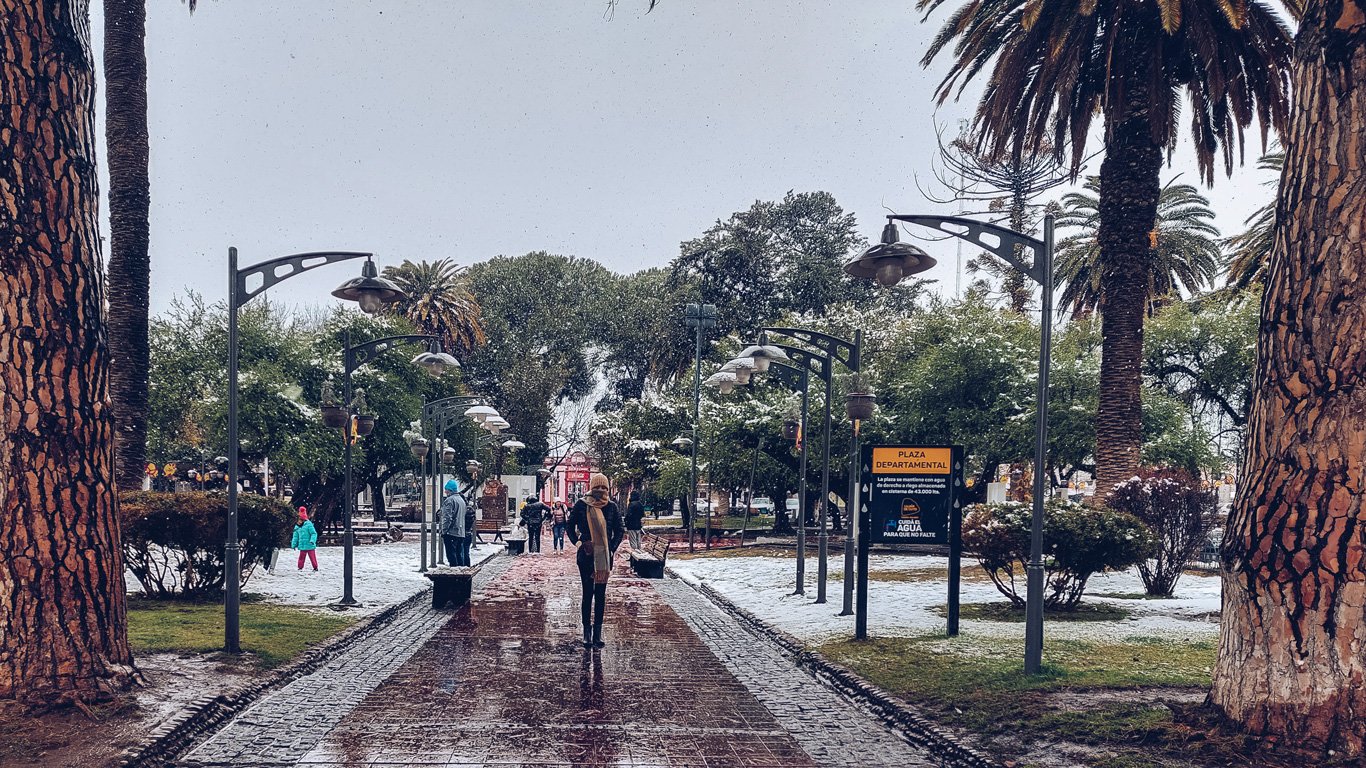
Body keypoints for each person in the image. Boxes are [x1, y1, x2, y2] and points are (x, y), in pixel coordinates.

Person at [568, 473, 624, 649]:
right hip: (586, 556)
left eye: (604, 487)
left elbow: (619, 531)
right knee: (587, 594)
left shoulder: (612, 507)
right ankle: (587, 632)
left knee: (600, 595)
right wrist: (578, 543)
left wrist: (612, 549)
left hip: (604, 558)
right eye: (597, 487)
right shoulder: (581, 505)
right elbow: (570, 526)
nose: (600, 490)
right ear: (591, 488)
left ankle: (597, 634)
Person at [440, 478, 468, 566]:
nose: (445, 492)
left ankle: (454, 575)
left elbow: (447, 518)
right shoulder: (461, 500)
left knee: (452, 557)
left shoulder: (449, 500)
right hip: (460, 533)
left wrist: (444, 531)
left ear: (450, 490)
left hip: (451, 533)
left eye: (446, 490)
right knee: (459, 556)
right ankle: (460, 575)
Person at [292, 506, 318, 571]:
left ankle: (315, 567)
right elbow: (295, 536)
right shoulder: (297, 527)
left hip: (309, 545)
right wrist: (294, 544)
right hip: (302, 545)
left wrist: (312, 540)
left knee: (312, 557)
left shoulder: (309, 524)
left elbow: (313, 533)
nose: (299, 521)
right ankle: (300, 567)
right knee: (301, 557)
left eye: (300, 520)